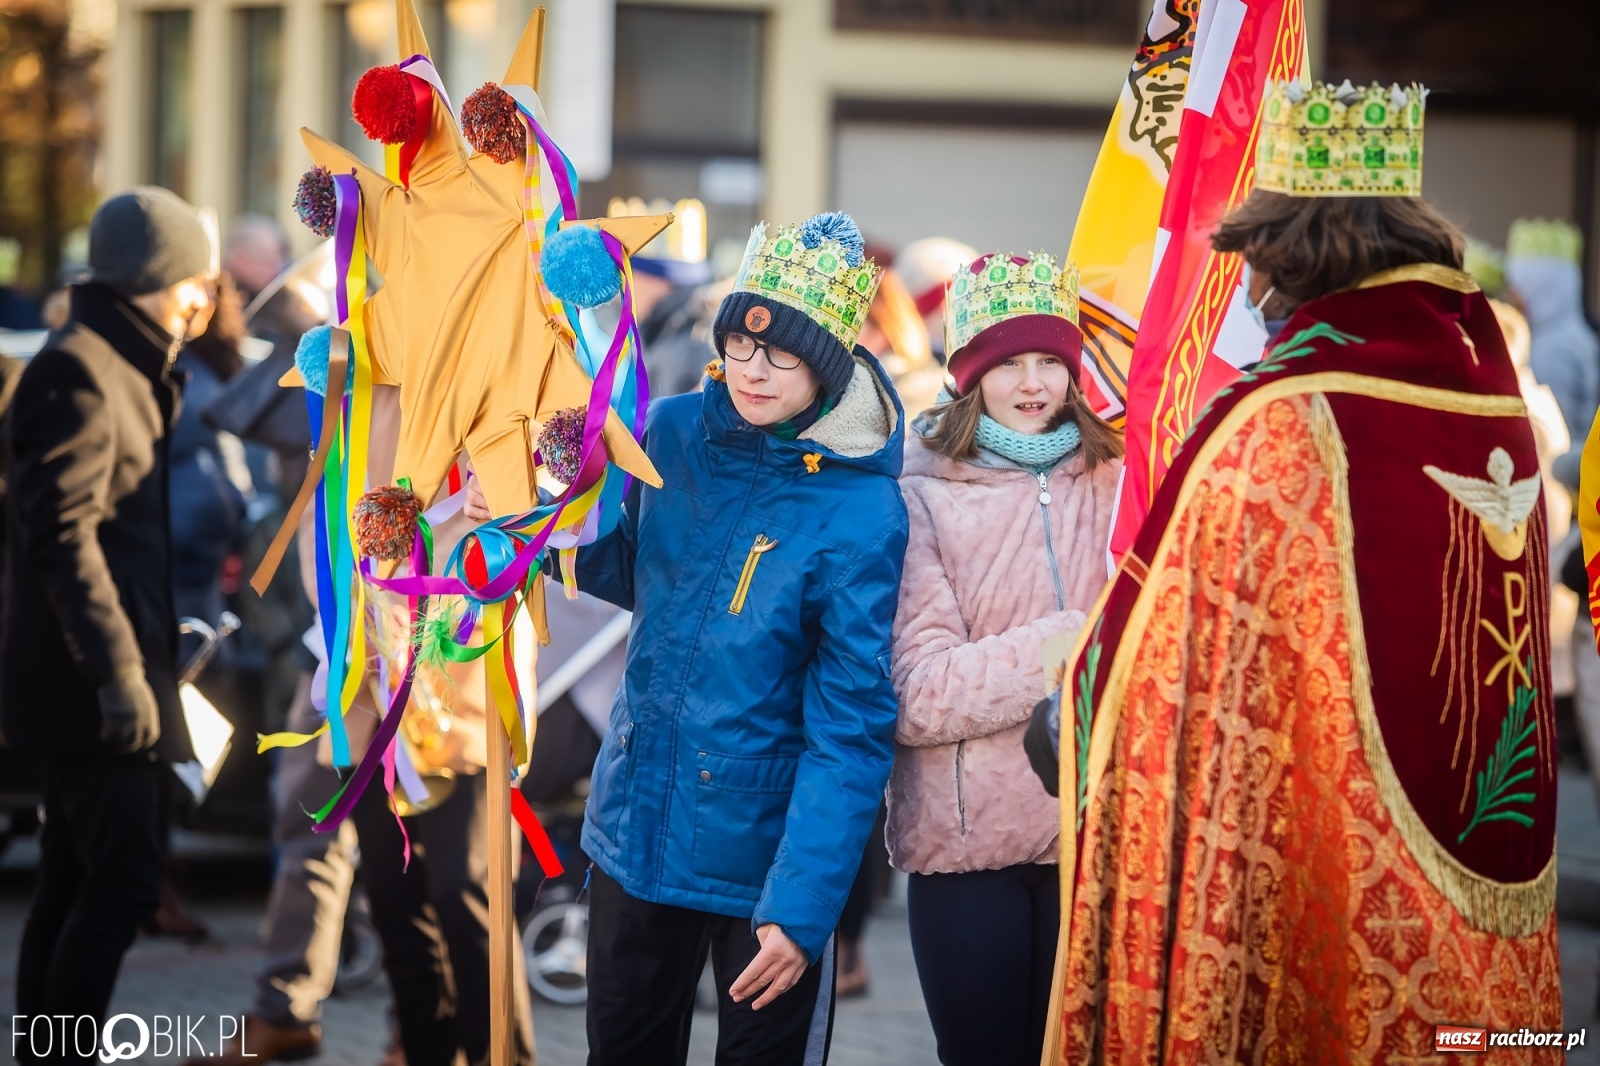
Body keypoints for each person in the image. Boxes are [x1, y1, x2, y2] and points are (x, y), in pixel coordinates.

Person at [1039, 81, 1564, 1062]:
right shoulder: (1491, 401)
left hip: (1327, 863)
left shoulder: (1283, 414)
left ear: (1286, 256)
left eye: (1246, 261)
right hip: (1489, 875)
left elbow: (1165, 653)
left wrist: (1069, 695)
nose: (1239, 288)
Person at [571, 211, 907, 1065]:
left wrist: (802, 909)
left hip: (763, 862)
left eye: (783, 355)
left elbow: (852, 726)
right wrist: (545, 517)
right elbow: (624, 570)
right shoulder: (676, 429)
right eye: (741, 346)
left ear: (827, 365)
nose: (753, 371)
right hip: (635, 825)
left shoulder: (863, 509)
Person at [888, 252, 1121, 1065]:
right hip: (967, 853)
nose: (1033, 383)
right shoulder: (919, 493)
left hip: (1098, 840)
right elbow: (917, 694)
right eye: (1009, 362)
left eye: (1051, 361)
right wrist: (1063, 643)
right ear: (969, 374)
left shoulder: (1120, 481)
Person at [3, 186, 215, 1060]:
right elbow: (62, 537)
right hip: (93, 683)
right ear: (148, 279)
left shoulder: (132, 361)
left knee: (73, 875)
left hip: (118, 668)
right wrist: (119, 675)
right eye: (192, 282)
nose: (204, 300)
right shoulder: (82, 365)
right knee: (121, 882)